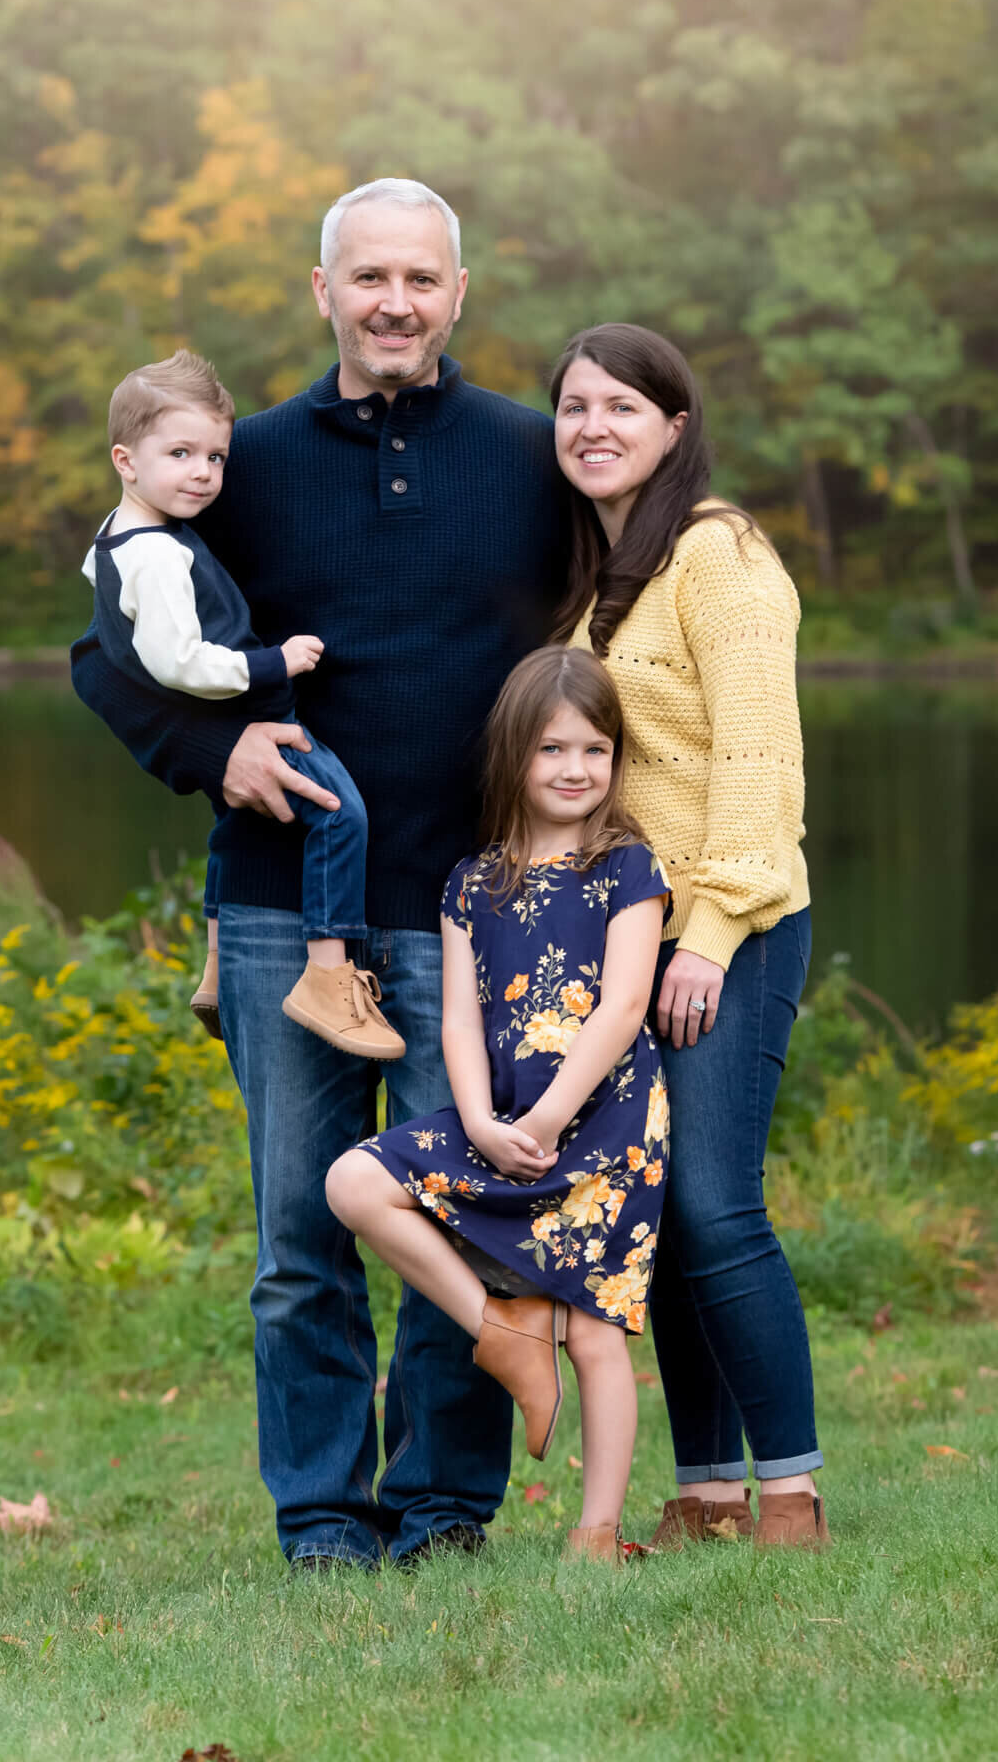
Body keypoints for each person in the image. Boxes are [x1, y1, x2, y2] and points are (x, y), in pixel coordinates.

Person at [71, 178, 572, 1568]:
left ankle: (442, 1512)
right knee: (301, 1243)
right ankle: (321, 1523)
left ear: (457, 295)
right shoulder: (241, 466)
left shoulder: (532, 459)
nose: (395, 302)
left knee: (460, 1228)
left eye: (420, 279)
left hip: (482, 915)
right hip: (291, 915)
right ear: (322, 291)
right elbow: (102, 652)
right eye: (369, 279)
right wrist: (206, 749)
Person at [550, 322, 827, 1547]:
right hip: (628, 935)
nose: (592, 426)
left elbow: (762, 766)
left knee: (717, 1204)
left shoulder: (721, 557)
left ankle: (792, 1494)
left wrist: (707, 934)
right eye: (572, 406)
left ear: (673, 426)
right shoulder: (596, 574)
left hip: (734, 923)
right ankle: (706, 1489)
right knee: (657, 1214)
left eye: (621, 406)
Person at [326, 646, 672, 1564]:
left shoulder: (627, 866)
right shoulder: (471, 884)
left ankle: (597, 1531)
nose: (574, 770)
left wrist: (553, 1116)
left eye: (594, 751)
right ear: (514, 755)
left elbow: (625, 1005)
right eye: (553, 749)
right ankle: (501, 1328)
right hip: (501, 1120)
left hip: (602, 1128)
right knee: (354, 1182)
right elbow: (456, 1020)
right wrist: (476, 1120)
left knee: (598, 1332)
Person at [82, 347, 403, 1062]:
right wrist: (273, 660)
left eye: (216, 458)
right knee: (337, 813)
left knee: (232, 827)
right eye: (181, 454)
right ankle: (326, 974)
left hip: (232, 724)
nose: (202, 473)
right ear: (126, 460)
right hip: (252, 718)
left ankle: (214, 960)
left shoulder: (119, 537)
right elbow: (177, 661)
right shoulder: (160, 555)